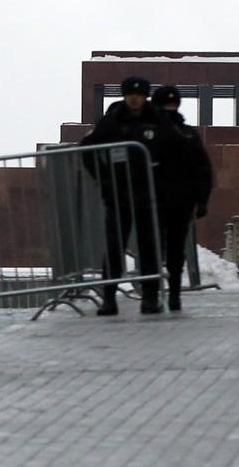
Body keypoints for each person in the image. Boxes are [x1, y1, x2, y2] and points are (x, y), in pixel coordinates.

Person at [80, 76, 183, 315]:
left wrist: (164, 179)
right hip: (118, 193)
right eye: (130, 95)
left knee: (149, 246)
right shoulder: (113, 119)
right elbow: (88, 147)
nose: (134, 99)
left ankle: (150, 297)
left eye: (139, 95)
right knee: (114, 246)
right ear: (124, 96)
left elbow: (175, 148)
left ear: (145, 97)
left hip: (149, 194)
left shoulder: (157, 118)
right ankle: (109, 298)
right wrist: (102, 177)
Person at [150, 85, 214, 310]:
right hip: (153, 199)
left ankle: (174, 293)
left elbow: (202, 167)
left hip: (181, 199)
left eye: (173, 104)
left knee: (175, 249)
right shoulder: (149, 132)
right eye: (165, 105)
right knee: (153, 248)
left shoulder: (187, 133)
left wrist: (202, 199)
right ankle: (152, 295)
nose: (169, 109)